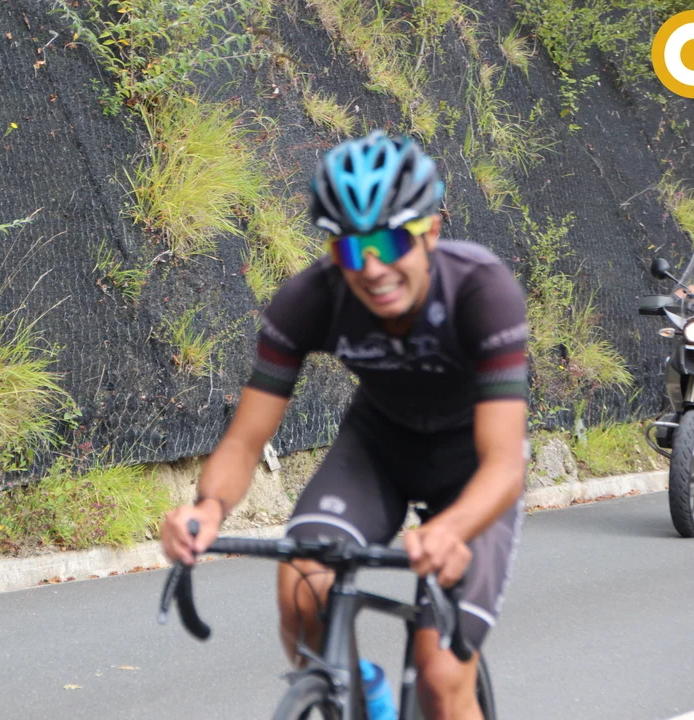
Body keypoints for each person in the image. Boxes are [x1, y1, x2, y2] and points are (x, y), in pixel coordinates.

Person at [160, 130, 528, 720]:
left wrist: (453, 528)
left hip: (472, 469)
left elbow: (505, 463)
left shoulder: (481, 290)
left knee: (440, 678)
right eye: (352, 250)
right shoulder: (310, 299)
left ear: (432, 231)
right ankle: (354, 693)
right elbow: (246, 440)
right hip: (379, 450)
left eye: (390, 242)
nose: (373, 268)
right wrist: (206, 509)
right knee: (301, 585)